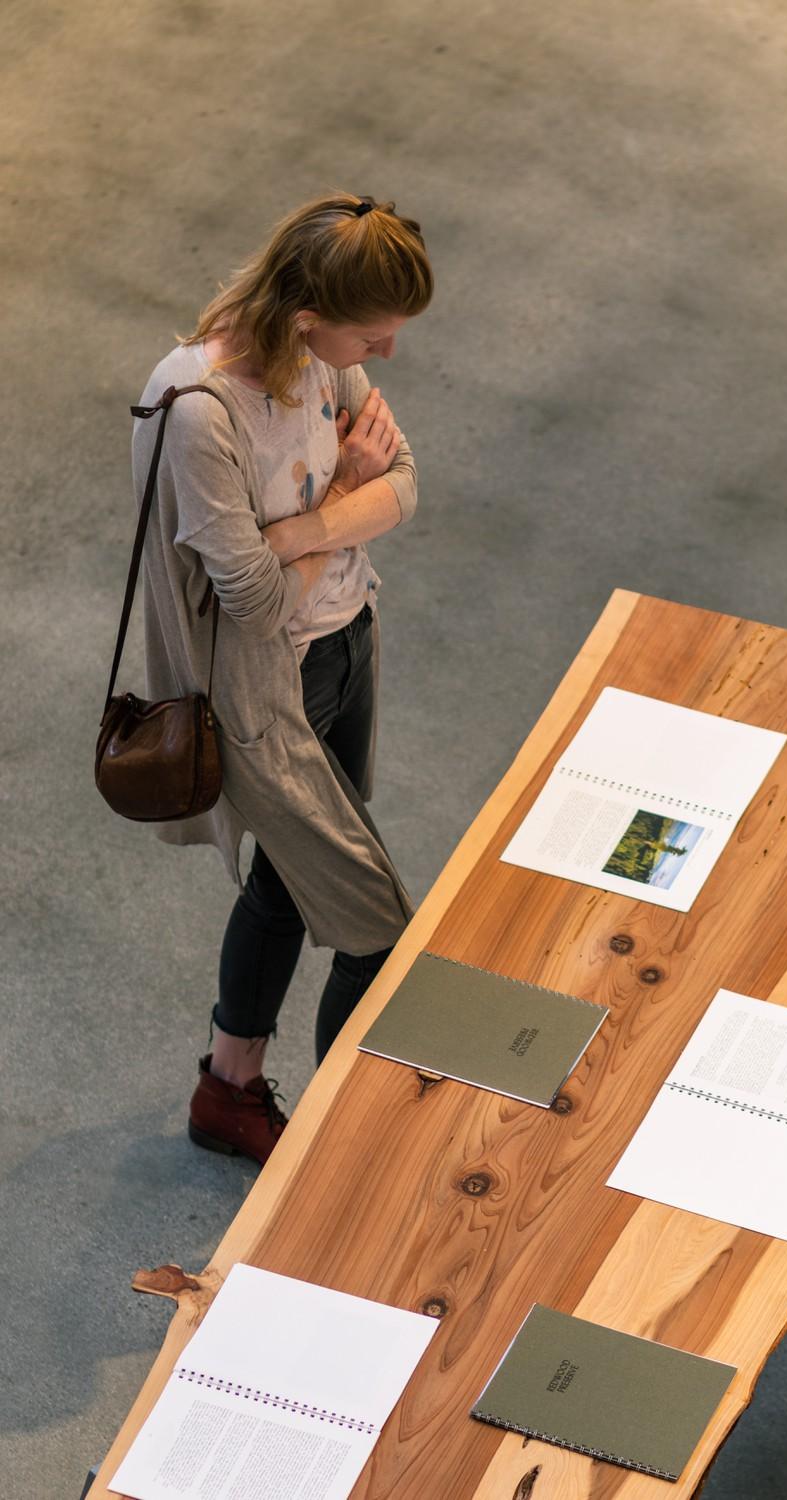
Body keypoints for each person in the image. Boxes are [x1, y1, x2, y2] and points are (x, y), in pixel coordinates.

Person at [132, 192, 433, 1165]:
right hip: (269, 697)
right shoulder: (202, 410)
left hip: (349, 641)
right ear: (307, 314)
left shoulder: (320, 361)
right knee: (374, 924)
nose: (383, 355)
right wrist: (349, 492)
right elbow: (253, 605)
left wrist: (309, 526)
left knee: (287, 884)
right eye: (373, 335)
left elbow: (407, 481)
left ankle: (228, 1091)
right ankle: (343, 1157)